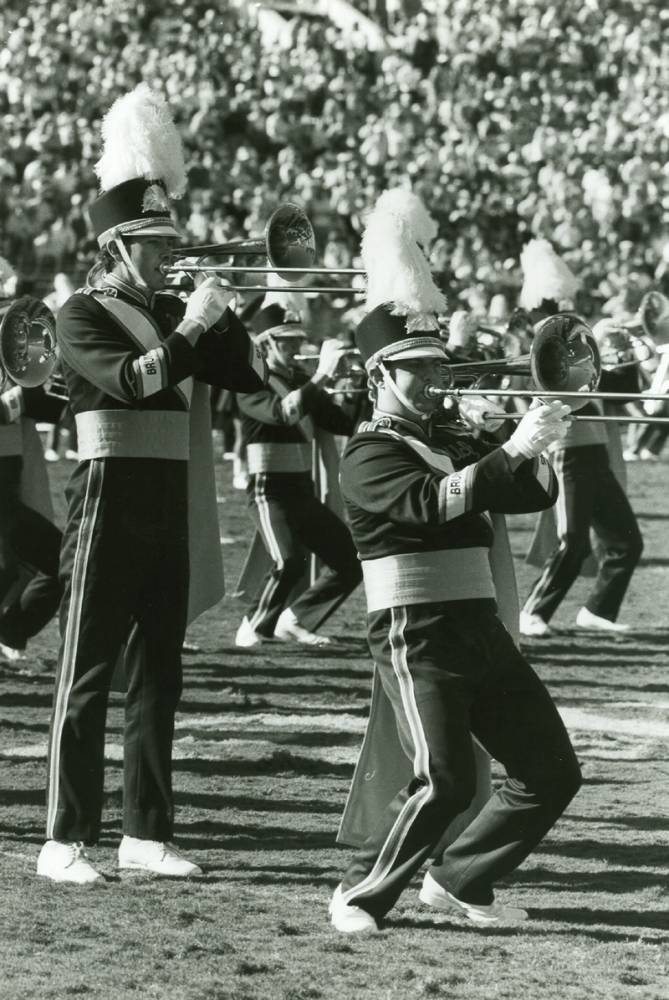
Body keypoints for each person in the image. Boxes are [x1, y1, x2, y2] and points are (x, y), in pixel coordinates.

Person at [329, 190, 581, 934]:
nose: (433, 380)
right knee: (441, 780)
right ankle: (359, 893)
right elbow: (433, 504)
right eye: (414, 369)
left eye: (436, 364)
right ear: (378, 375)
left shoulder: (453, 434)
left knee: (550, 771)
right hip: (415, 630)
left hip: (475, 625)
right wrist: (509, 449)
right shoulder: (368, 451)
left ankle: (461, 879)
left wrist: (542, 439)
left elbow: (528, 496)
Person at [37, 84, 266, 885]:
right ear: (117, 244)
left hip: (167, 495)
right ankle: (63, 838)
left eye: (169, 241)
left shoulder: (176, 305)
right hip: (106, 496)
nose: (168, 253)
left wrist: (229, 315)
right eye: (152, 242)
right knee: (88, 668)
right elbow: (134, 381)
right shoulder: (79, 314)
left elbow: (242, 380)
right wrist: (195, 322)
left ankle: (145, 830)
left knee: (158, 674)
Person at [517, 241, 643, 637]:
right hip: (567, 451)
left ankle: (597, 610)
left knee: (626, 541)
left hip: (595, 451)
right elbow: (571, 394)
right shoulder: (544, 345)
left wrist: (621, 358)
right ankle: (532, 611)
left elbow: (620, 393)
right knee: (572, 541)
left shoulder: (577, 340)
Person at [234, 304, 362, 647]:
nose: (294, 349)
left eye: (296, 342)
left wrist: (352, 390)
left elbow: (342, 424)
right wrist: (322, 376)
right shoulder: (249, 381)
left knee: (350, 559)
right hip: (268, 489)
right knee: (287, 560)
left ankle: (295, 620)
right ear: (265, 345)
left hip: (301, 489)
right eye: (285, 342)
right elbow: (282, 413)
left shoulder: (302, 382)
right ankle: (253, 625)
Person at [0, 292, 64, 663]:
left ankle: (12, 630)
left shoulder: (14, 365)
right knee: (8, 569)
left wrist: (55, 373)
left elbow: (51, 412)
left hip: (9, 485)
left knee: (58, 563)